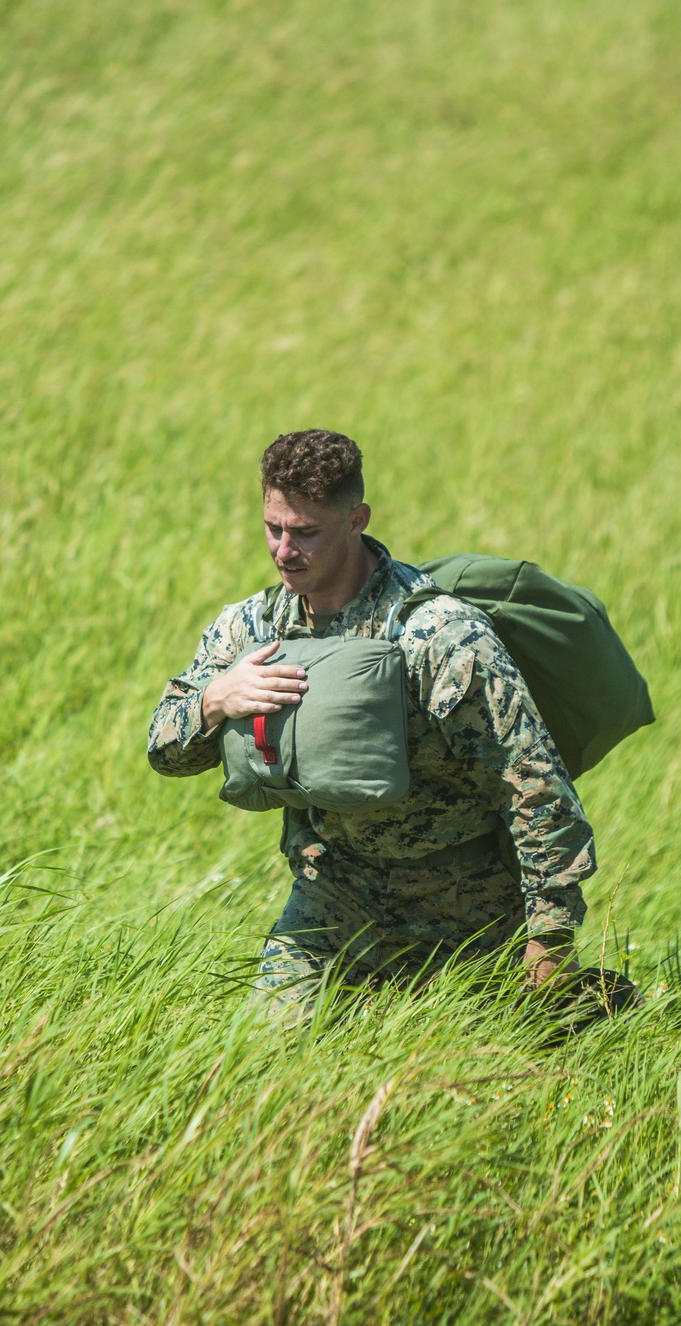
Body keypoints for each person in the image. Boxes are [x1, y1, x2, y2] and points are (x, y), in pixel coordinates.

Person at [147, 429, 598, 1018]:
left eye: (307, 532)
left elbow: (533, 783)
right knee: (266, 1050)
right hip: (335, 894)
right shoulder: (250, 630)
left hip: (469, 904)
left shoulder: (438, 635)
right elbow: (162, 751)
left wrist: (550, 936)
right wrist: (215, 699)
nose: (285, 549)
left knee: (503, 1073)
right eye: (273, 528)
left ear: (357, 519)